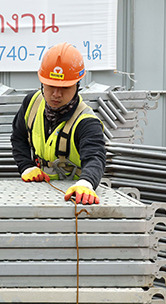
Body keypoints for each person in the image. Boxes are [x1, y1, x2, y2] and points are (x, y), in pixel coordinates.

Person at [10, 42, 106, 205]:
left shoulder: (86, 122)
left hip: (71, 194)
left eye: (64, 88)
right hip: (37, 191)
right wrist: (26, 166)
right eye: (51, 86)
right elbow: (18, 138)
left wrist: (85, 183)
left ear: (77, 86)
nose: (56, 94)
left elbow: (95, 157)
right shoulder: (31, 104)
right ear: (42, 82)